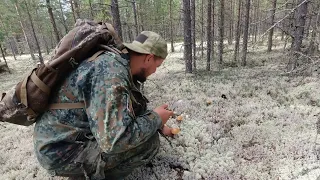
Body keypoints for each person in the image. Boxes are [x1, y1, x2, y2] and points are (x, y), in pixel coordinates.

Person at [33, 31, 174, 180]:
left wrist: (158, 125)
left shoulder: (118, 62)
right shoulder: (111, 73)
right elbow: (115, 141)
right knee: (148, 144)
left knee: (147, 134)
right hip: (60, 152)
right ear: (149, 58)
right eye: (157, 66)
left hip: (65, 139)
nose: (154, 71)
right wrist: (156, 118)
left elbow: (129, 108)